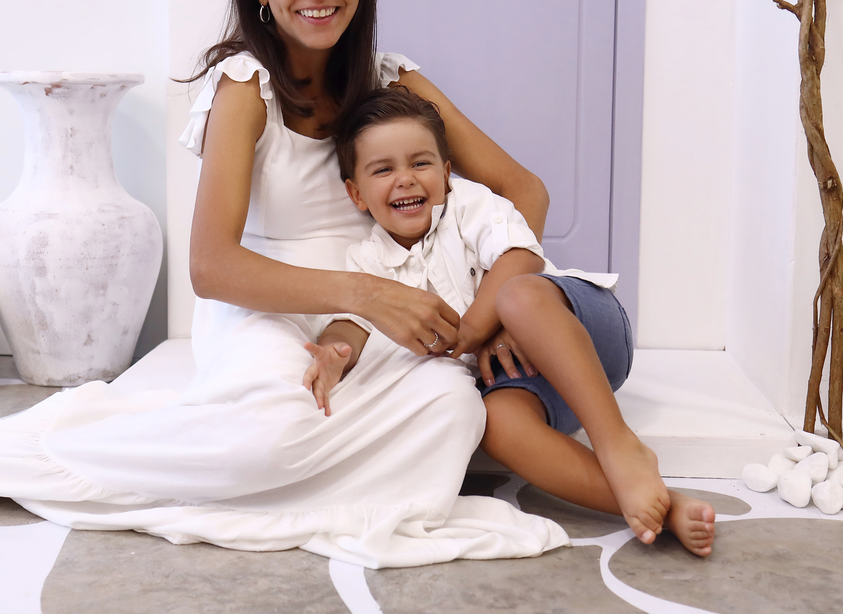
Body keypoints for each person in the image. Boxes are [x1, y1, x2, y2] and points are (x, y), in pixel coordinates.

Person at [0, 0, 570, 569]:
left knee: (456, 408)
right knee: (271, 437)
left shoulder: (392, 80)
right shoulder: (246, 87)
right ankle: (61, 451)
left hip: (377, 322)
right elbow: (211, 266)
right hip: (266, 309)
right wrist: (367, 294)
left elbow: (523, 191)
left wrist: (490, 318)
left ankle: (315, 479)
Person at [303, 86, 716, 556]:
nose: (405, 180)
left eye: (420, 163)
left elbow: (521, 257)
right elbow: (351, 322)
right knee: (497, 425)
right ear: (356, 193)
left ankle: (619, 444)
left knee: (517, 296)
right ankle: (660, 505)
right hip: (524, 376)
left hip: (582, 330)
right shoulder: (367, 261)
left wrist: (475, 329)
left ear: (446, 172)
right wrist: (335, 352)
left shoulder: (467, 206)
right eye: (383, 170)